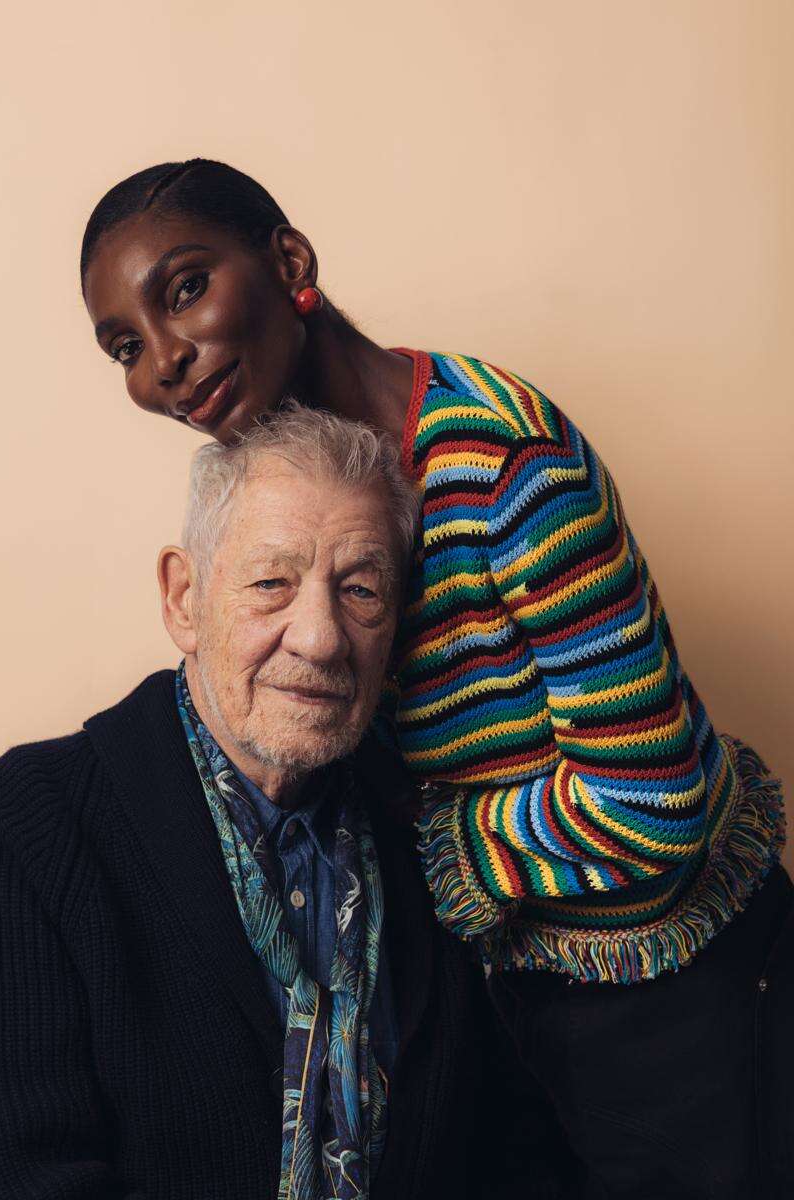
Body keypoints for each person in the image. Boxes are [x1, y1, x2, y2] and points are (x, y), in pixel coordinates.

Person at [79, 159, 793, 1197]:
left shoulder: (503, 463)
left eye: (185, 289)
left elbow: (654, 801)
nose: (165, 363)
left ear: (290, 263)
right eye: (125, 348)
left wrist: (438, 854)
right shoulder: (311, 487)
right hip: (516, 993)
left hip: (675, 992)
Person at [0, 407, 548, 1199]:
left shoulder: (438, 834)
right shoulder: (31, 826)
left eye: (360, 590)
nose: (320, 637)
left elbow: (512, 1153)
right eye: (271, 584)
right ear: (184, 598)